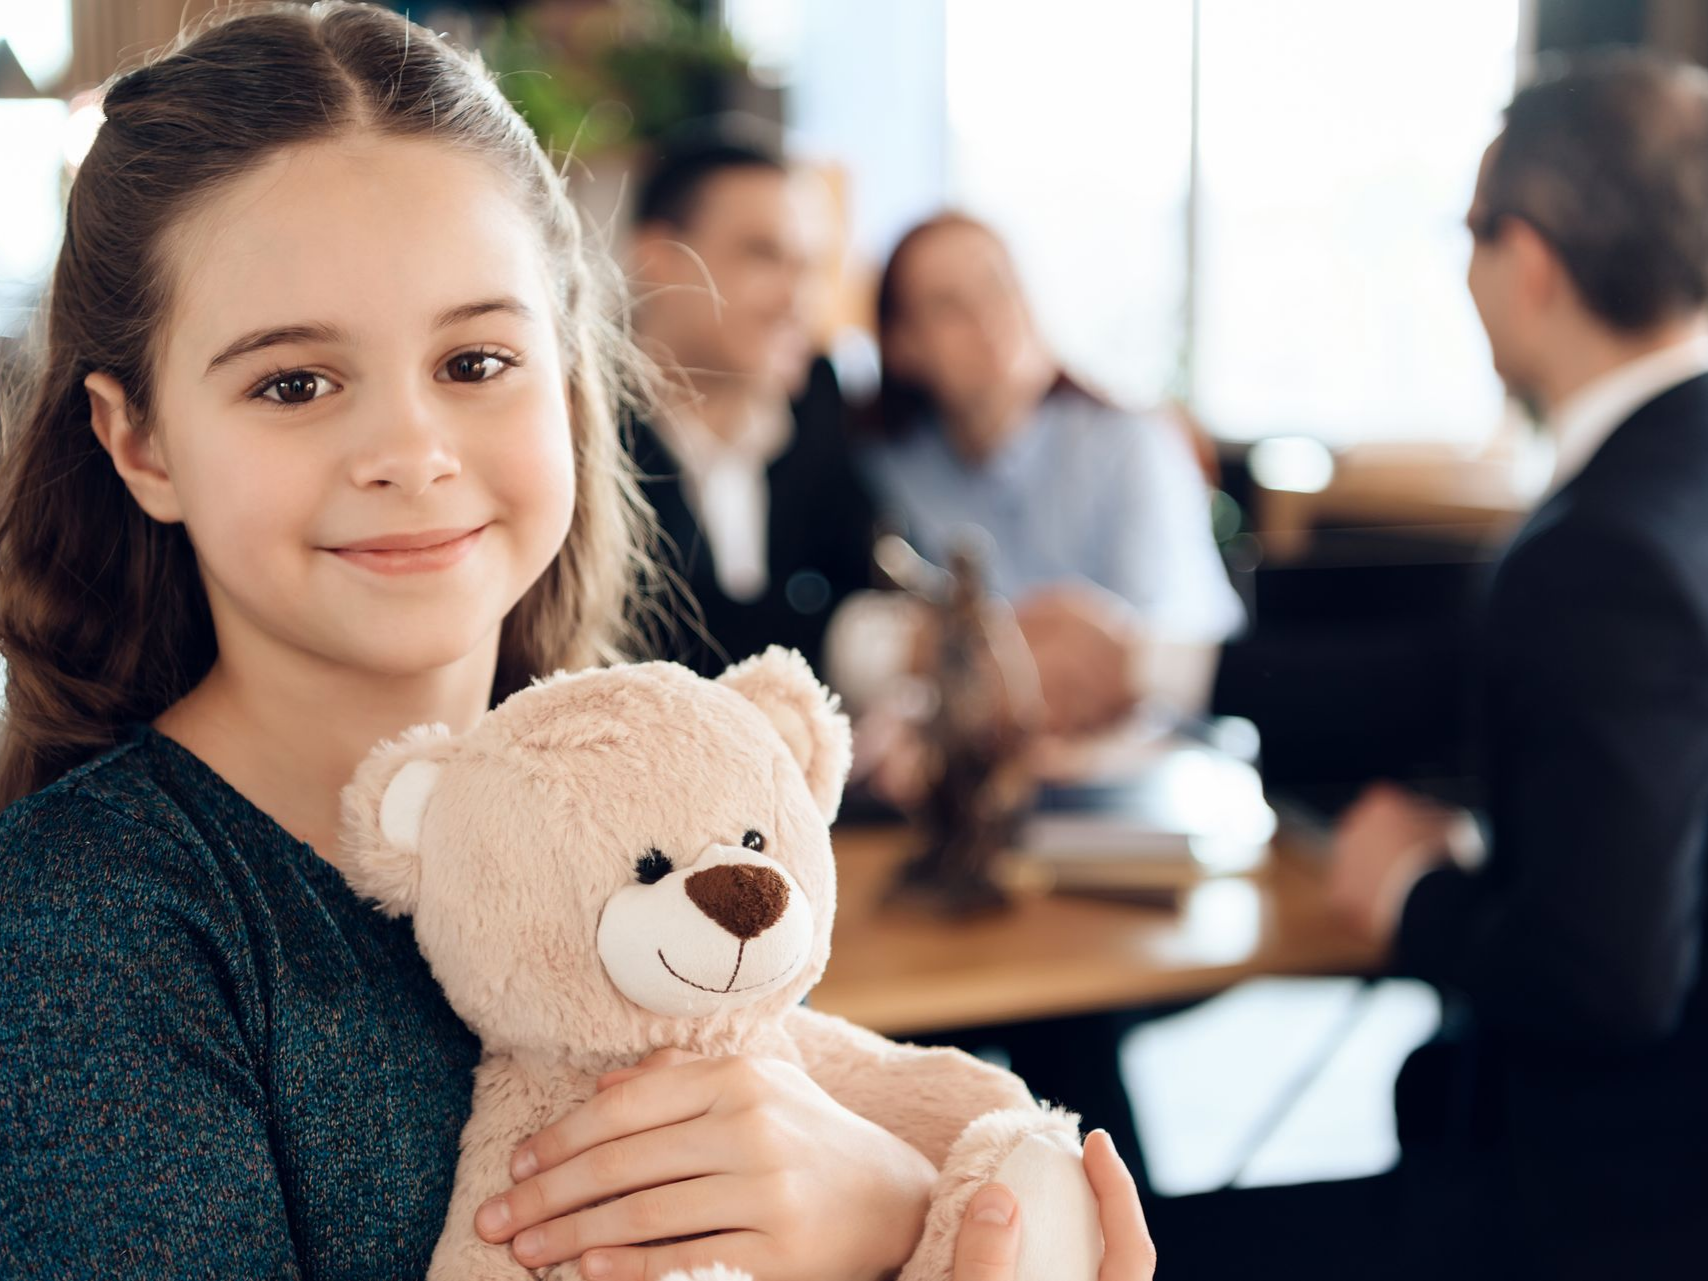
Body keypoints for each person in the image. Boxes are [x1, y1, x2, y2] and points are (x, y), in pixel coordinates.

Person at [0, 5, 1146, 1277]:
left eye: (477, 360)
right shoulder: (92, 927)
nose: (411, 453)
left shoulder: (661, 799)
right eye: (294, 383)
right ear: (140, 440)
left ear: (569, 378)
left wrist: (891, 1206)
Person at [1161, 50, 1708, 1281]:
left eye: (1466, 236)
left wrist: (1416, 888)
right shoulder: (1657, 485)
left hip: (1612, 1204)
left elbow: (1606, 978)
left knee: (1120, 1241)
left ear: (1527, 259)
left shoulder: (1606, 544)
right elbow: (1484, 682)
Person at [849, 212, 1244, 731]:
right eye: (948, 306)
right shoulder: (885, 466)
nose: (987, 318)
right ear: (902, 345)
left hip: (1137, 754)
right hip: (972, 760)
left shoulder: (1133, 445)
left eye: (998, 285)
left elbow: (1185, 649)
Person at [626, 129, 879, 679]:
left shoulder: (817, 395)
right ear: (658, 259)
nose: (798, 299)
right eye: (764, 256)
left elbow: (866, 571)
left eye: (810, 267)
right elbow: (652, 641)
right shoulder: (578, 422)